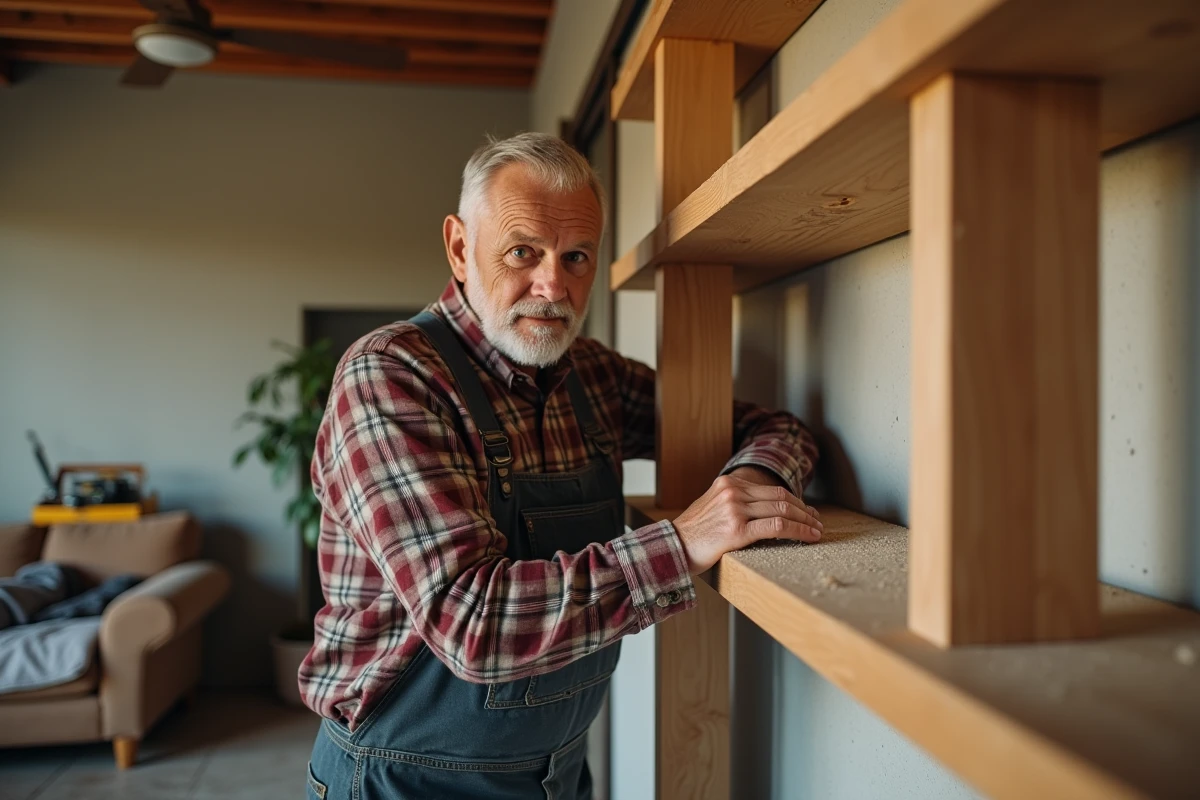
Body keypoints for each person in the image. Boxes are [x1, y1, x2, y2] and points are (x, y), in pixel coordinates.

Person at [301, 132, 821, 799]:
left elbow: (775, 427)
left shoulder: (590, 377)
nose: (553, 285)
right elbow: (474, 624)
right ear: (461, 247)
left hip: (558, 770)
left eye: (576, 257)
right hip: (404, 777)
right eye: (524, 251)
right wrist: (688, 540)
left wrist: (752, 484)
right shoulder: (392, 375)